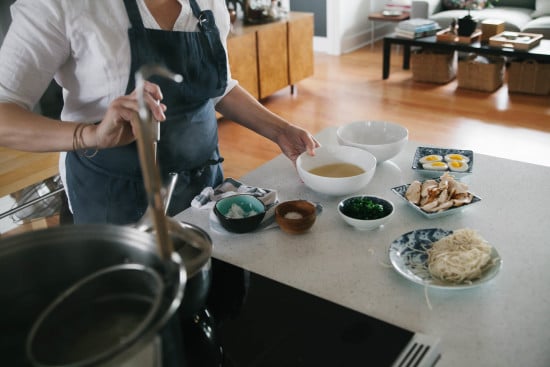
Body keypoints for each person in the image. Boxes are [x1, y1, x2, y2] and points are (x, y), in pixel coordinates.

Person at [0, 0, 319, 225]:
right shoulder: (60, 5)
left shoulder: (208, 3)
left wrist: (280, 130)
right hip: (114, 199)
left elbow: (216, 86)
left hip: (204, 188)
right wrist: (91, 134)